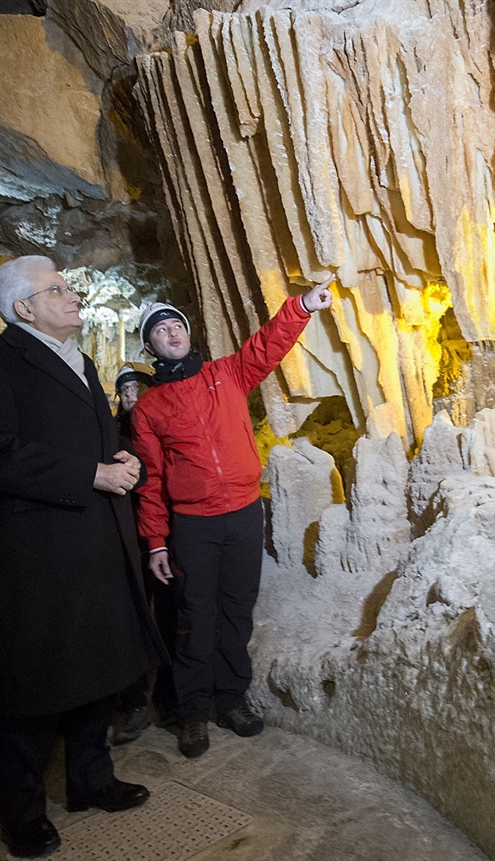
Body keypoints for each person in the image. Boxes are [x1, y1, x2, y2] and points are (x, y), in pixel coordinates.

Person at [0, 256, 167, 859]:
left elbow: (98, 438)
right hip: (41, 547)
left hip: (98, 536)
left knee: (98, 664)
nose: (73, 296)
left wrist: (125, 460)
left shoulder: (82, 361)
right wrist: (89, 473)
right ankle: (20, 813)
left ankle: (90, 779)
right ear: (24, 308)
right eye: (58, 289)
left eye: (69, 287)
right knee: (37, 680)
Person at [131, 276, 334, 759]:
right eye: (159, 331)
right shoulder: (149, 408)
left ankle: (232, 699)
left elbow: (268, 346)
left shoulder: (227, 374)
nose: (170, 333)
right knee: (195, 617)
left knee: (236, 611)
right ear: (150, 346)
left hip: (243, 512)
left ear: (187, 332)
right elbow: (152, 480)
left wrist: (301, 306)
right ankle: (193, 711)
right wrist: (156, 540)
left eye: (174, 325)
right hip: (194, 524)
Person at [110, 362, 159, 745]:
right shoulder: (109, 433)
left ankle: (172, 698)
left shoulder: (161, 423)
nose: (131, 394)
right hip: (126, 540)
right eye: (125, 389)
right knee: (128, 617)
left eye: (137, 387)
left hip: (161, 534)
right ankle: (133, 700)